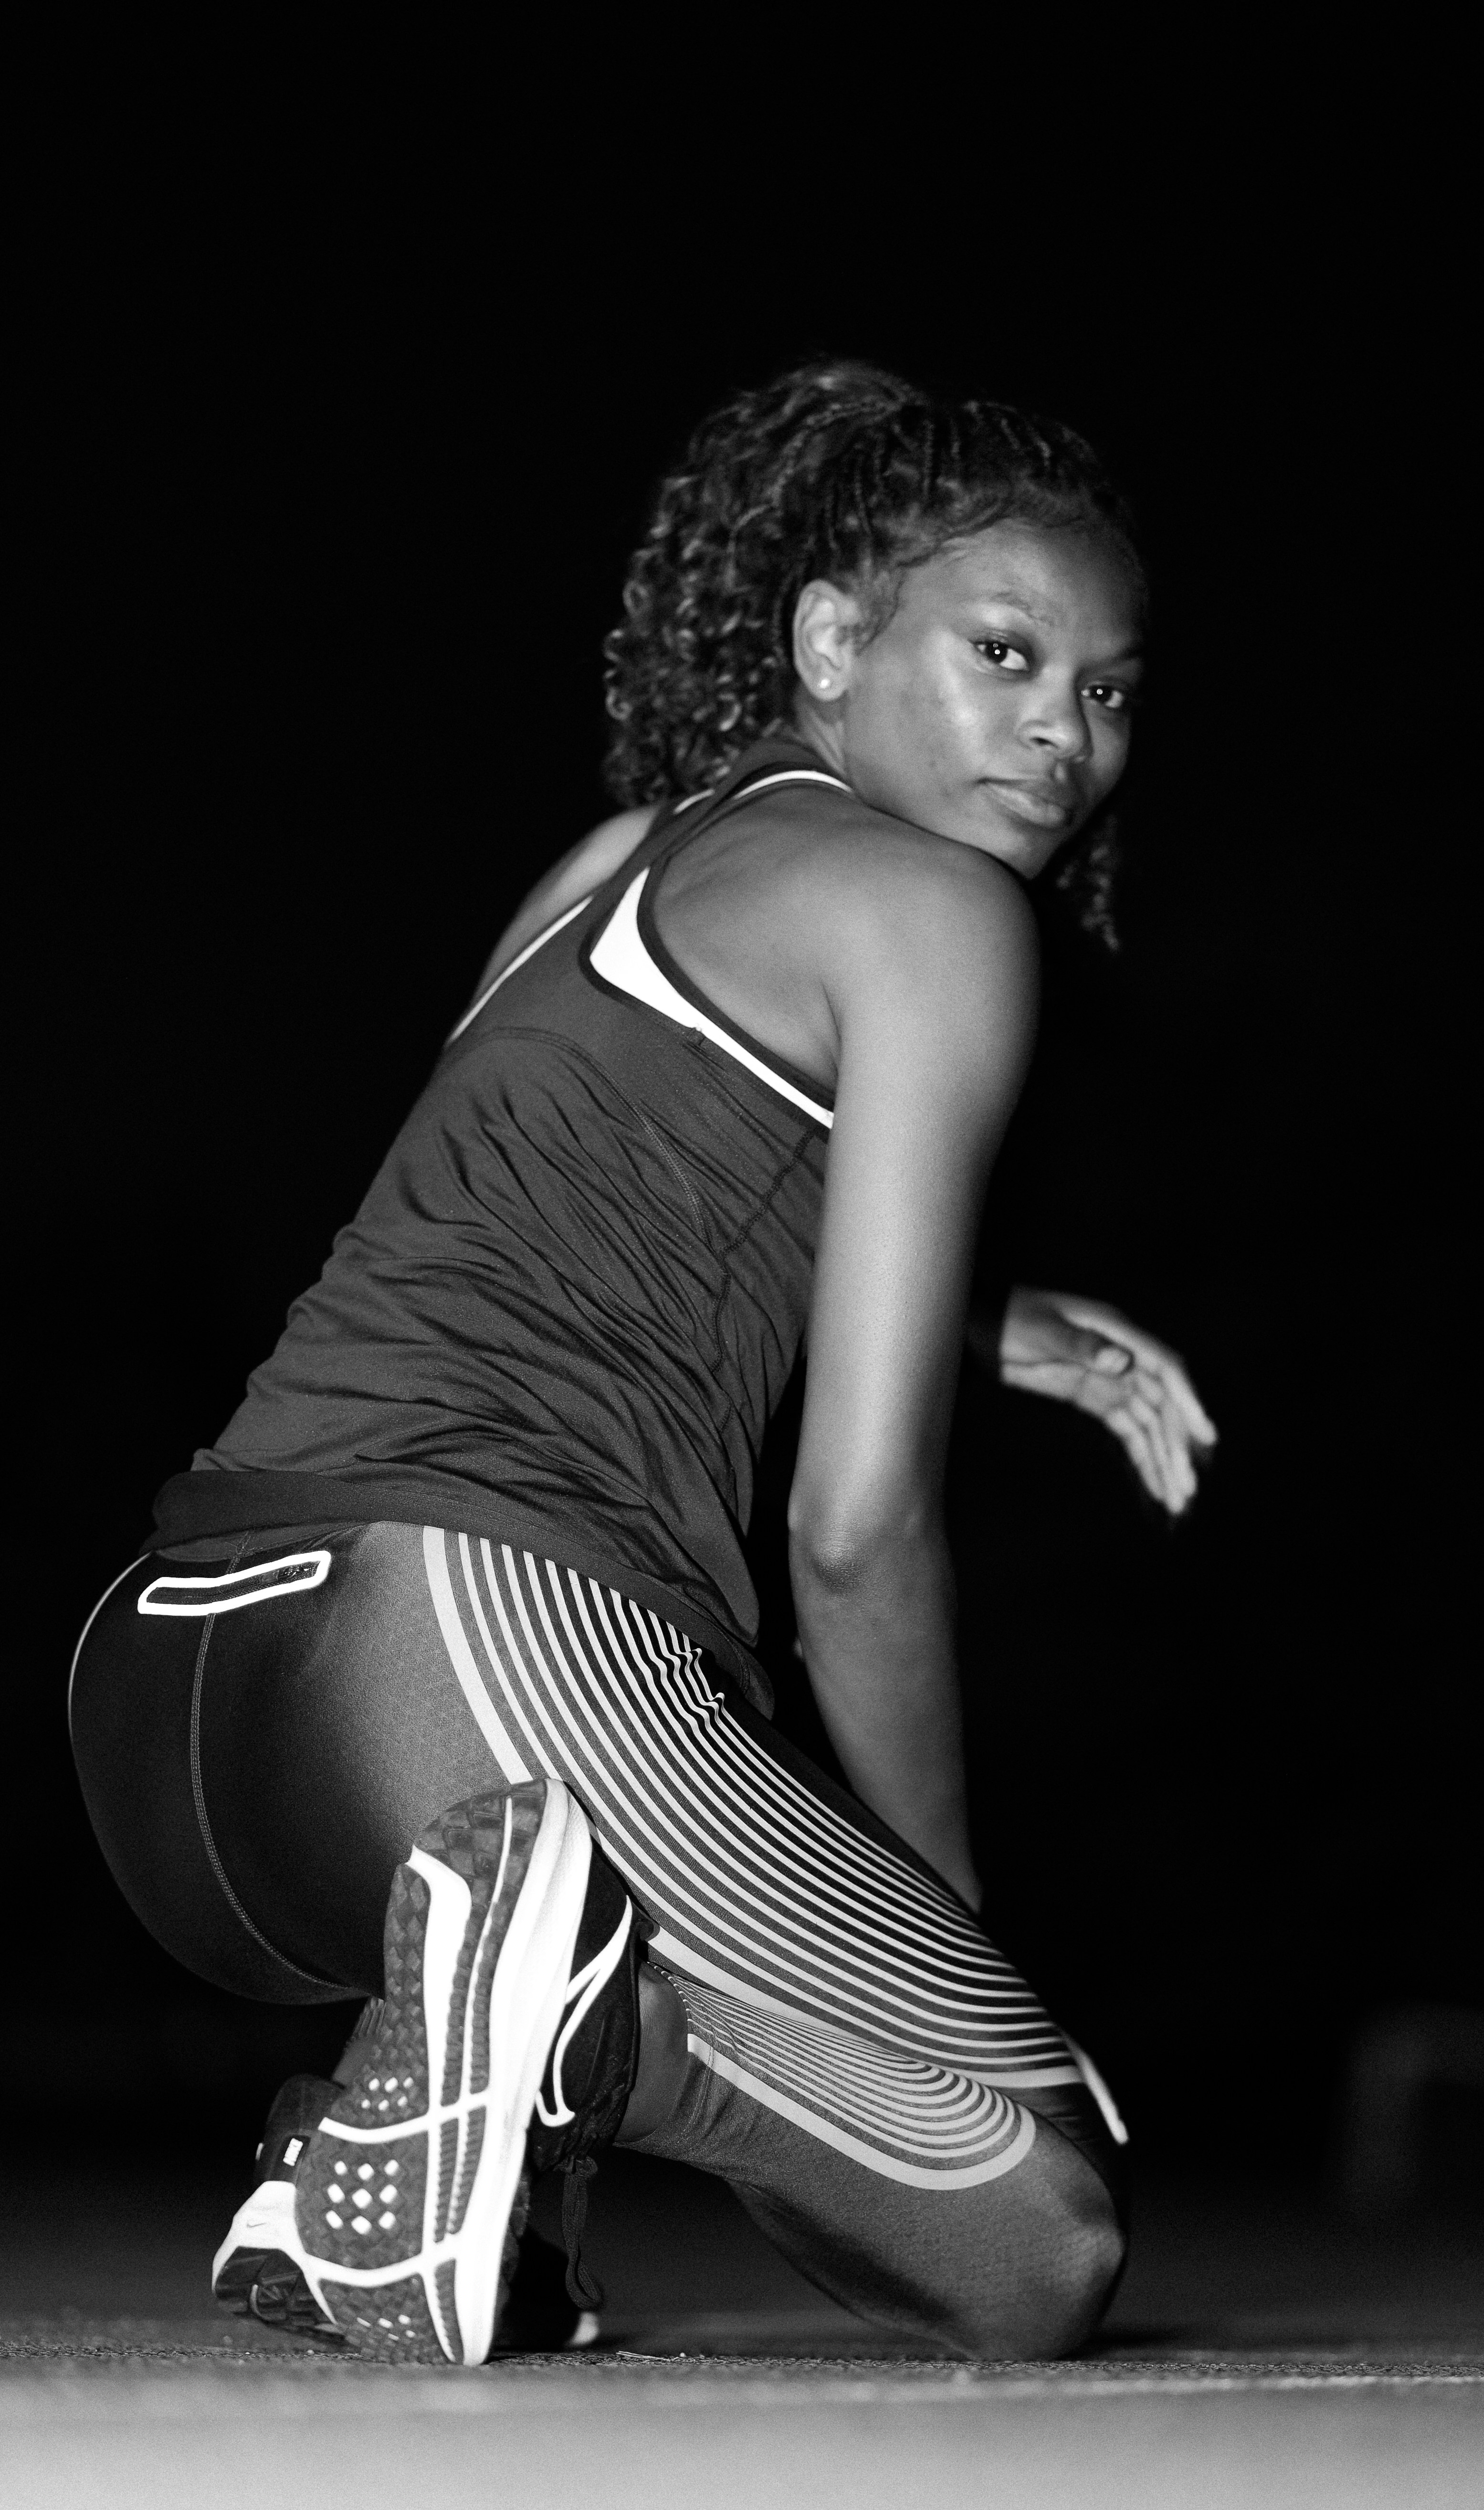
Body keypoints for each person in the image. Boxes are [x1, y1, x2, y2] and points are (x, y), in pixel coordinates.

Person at [68, 361, 1216, 2366]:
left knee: (896, 2116)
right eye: (1008, 654)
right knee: (1031, 2220)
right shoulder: (937, 910)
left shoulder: (610, 862)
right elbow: (855, 1529)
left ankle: (396, 2156)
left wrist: (979, 1317)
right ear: (833, 640)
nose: (1063, 734)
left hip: (191, 1696)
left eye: (1109, 691)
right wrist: (949, 1937)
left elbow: (553, 1208)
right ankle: (588, 2028)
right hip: (463, 1658)